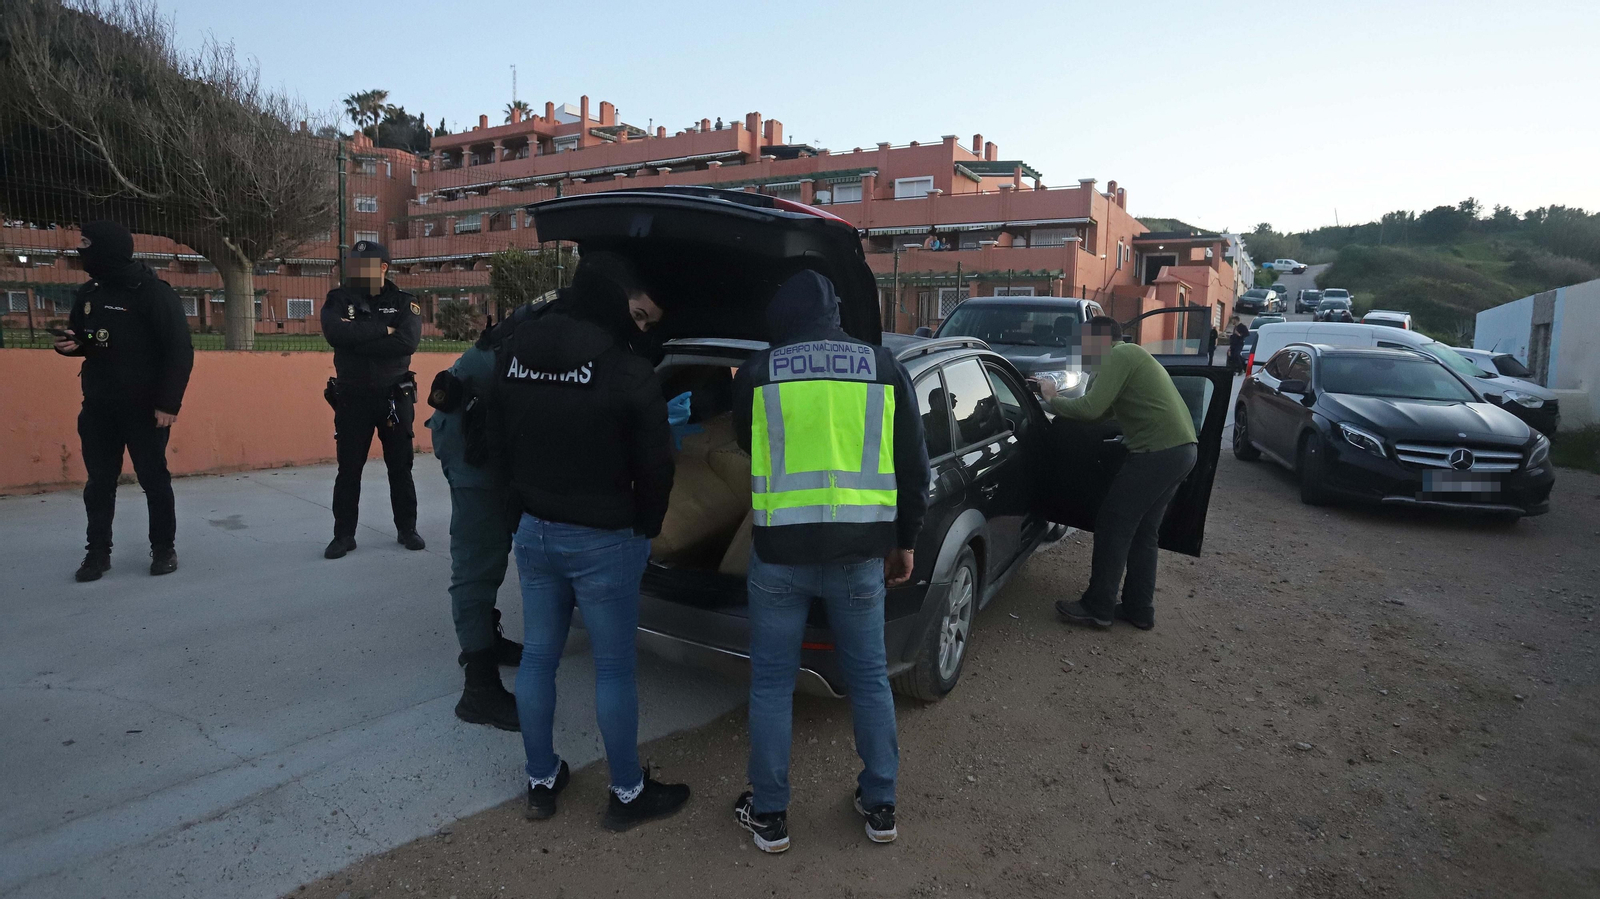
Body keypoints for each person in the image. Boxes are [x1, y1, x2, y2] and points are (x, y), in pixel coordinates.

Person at [729, 270, 931, 854]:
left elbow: (750, 442)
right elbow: (913, 468)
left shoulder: (757, 373)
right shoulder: (885, 367)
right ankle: (881, 805)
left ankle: (768, 816)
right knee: (870, 681)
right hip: (860, 556)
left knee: (770, 684)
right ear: (836, 311)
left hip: (779, 556)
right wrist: (906, 539)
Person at [488, 252, 686, 831]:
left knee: (539, 656)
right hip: (606, 539)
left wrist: (514, 509)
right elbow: (657, 467)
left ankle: (541, 781)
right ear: (612, 303)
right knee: (614, 669)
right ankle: (626, 793)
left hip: (534, 531)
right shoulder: (627, 371)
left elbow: (495, 441)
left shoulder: (514, 353)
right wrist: (646, 527)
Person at [53, 220, 194, 581]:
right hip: (99, 406)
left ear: (107, 249)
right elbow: (86, 340)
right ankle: (97, 554)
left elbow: (179, 351)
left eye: (86, 244)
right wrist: (72, 346)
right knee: (99, 483)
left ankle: (164, 548)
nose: (79, 251)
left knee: (153, 479)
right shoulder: (89, 293)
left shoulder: (151, 292)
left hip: (146, 409)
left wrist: (169, 404)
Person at [1037, 316, 1197, 631]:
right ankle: (1139, 609)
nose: (1081, 350)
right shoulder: (1127, 357)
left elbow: (1091, 410)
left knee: (1114, 523)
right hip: (1181, 450)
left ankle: (1097, 606)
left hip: (1157, 453)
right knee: (1143, 532)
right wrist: (1062, 400)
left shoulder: (1119, 355)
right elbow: (1104, 411)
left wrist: (1051, 398)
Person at [320, 241, 425, 559]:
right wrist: (383, 331)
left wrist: (359, 336)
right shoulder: (339, 299)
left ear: (382, 268)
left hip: (394, 397)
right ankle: (343, 535)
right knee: (348, 469)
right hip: (352, 398)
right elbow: (334, 334)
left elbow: (407, 342)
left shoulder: (404, 303)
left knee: (400, 467)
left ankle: (407, 529)